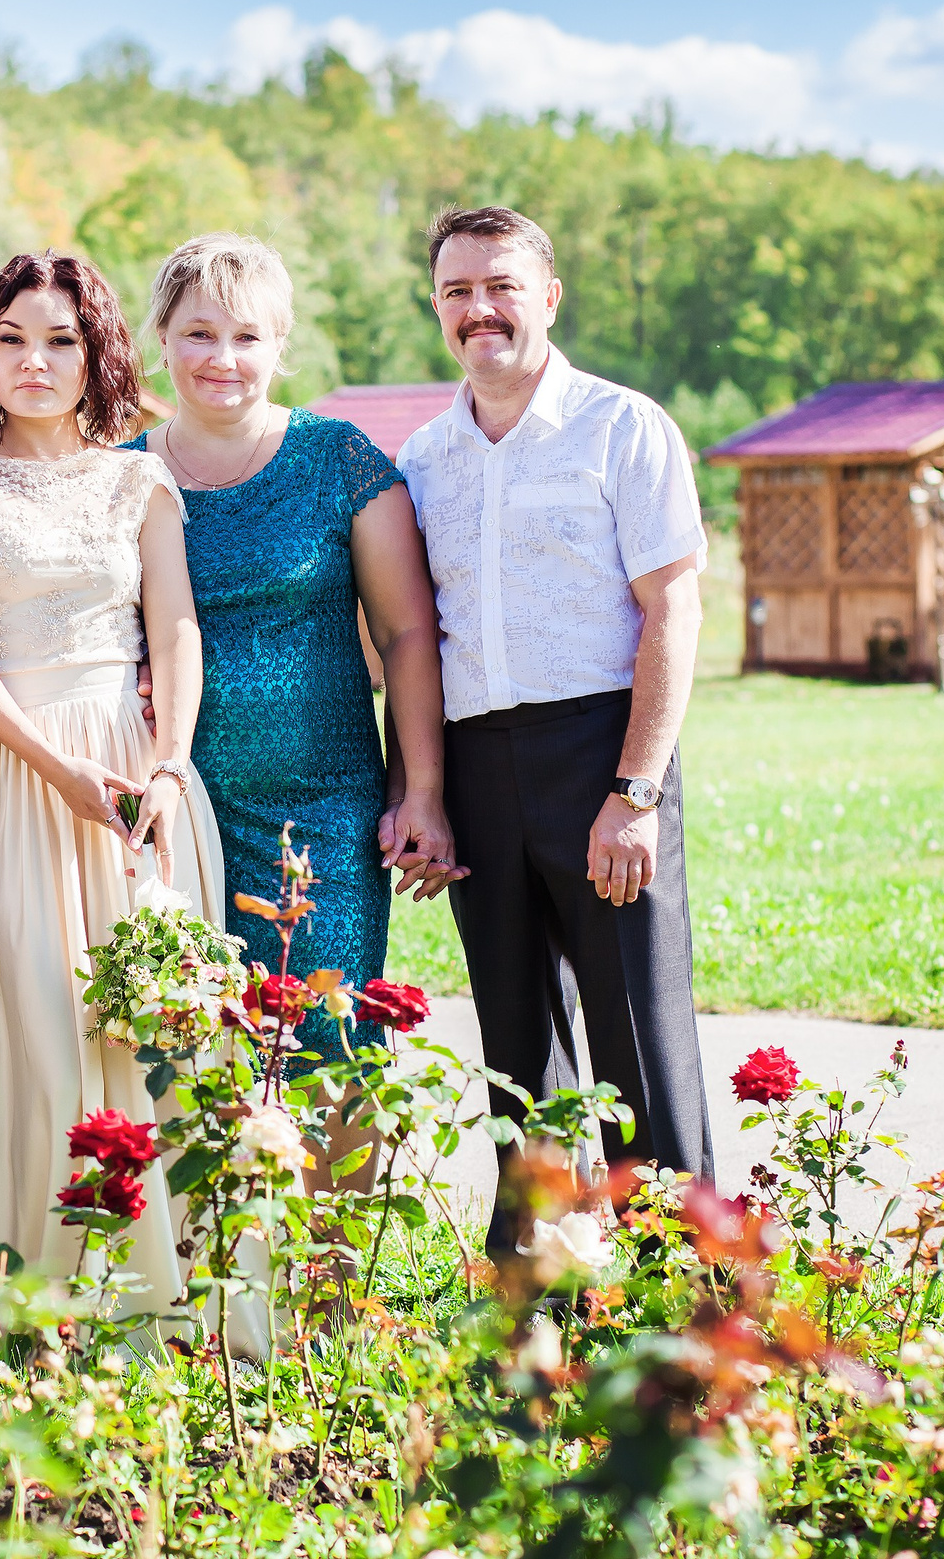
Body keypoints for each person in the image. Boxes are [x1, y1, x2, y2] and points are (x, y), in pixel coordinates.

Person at [393, 205, 714, 1240]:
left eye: (499, 286)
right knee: (515, 1051)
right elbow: (408, 639)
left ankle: (685, 1299)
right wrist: (424, 793)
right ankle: (536, 1293)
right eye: (455, 291)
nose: (477, 309)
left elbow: (673, 608)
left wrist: (634, 794)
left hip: (602, 760)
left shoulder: (622, 426)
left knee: (638, 1048)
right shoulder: (423, 458)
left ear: (548, 296)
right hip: (478, 765)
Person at [131, 236, 455, 1188]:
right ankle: (223, 1294)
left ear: (280, 345)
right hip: (179, 807)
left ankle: (330, 1298)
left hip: (326, 807)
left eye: (245, 335)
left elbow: (406, 637)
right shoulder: (121, 469)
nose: (220, 358)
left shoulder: (337, 458)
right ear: (160, 339)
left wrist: (421, 788)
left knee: (332, 1046)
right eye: (197, 333)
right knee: (193, 1045)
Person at [0, 252, 220, 1313]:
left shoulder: (138, 477)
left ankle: (167, 1283)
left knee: (149, 1029)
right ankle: (43, 1290)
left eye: (57, 340)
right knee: (38, 1023)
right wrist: (56, 770)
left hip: (139, 775)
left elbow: (175, 626)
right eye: (11, 339)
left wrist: (169, 759)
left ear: (94, 352)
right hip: (18, 772)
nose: (33, 362)